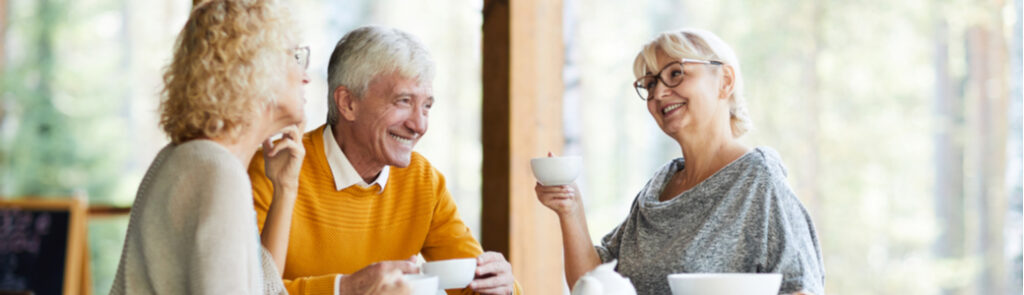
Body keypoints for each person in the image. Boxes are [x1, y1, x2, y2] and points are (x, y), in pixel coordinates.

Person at [109, 1, 409, 294]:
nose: (306, 75)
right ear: (254, 68)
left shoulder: (195, 160)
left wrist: (285, 187)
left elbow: (264, 287)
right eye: (294, 57)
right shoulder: (215, 172)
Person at [535, 28, 825, 295]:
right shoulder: (659, 186)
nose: (658, 94)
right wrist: (569, 208)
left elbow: (802, 288)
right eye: (649, 84)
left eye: (676, 74)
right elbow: (594, 283)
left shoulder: (759, 179)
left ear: (724, 82)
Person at [247, 25, 522, 295]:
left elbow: (471, 283)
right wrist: (345, 289)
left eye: (426, 106)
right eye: (403, 101)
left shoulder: (424, 181)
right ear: (348, 103)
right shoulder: (273, 169)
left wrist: (503, 286)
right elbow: (245, 288)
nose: (419, 125)